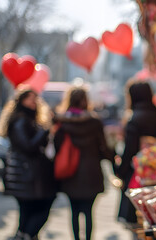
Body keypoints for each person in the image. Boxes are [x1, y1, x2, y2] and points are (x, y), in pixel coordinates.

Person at [54, 87, 114, 240]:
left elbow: (56, 147)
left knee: (74, 211)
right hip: (91, 172)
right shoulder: (94, 122)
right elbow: (104, 148)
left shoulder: (62, 122)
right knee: (89, 211)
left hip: (70, 172)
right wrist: (114, 162)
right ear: (86, 101)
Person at [0, 89, 56, 240]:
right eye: (31, 99)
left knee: (27, 210)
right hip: (25, 175)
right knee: (40, 206)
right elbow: (28, 146)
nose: (34, 102)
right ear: (21, 100)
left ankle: (24, 235)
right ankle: (27, 235)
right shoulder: (20, 121)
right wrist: (44, 131)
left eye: (36, 99)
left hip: (26, 174)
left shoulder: (27, 119)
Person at [115, 81, 156, 227]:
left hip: (138, 172)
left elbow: (130, 150)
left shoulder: (134, 119)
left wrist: (120, 170)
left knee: (136, 218)